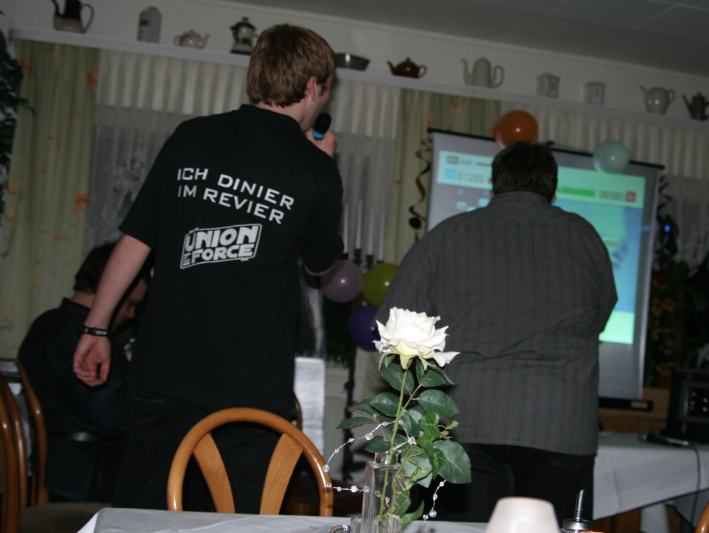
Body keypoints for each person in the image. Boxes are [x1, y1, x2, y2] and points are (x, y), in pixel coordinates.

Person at [72, 24, 343, 512]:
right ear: (311, 86)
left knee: (143, 518)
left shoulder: (192, 136)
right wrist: (323, 165)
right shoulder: (314, 167)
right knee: (233, 522)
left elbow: (135, 238)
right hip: (249, 389)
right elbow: (320, 264)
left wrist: (96, 326)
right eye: (326, 89)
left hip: (163, 374)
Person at [375, 142, 617, 523]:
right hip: (560, 420)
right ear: (553, 188)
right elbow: (600, 317)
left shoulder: (448, 234)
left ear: (494, 184)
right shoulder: (585, 237)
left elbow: (394, 323)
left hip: (466, 418)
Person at [18, 243, 149, 502]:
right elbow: (107, 413)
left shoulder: (50, 322)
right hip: (85, 478)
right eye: (130, 303)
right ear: (113, 285)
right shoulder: (76, 333)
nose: (131, 314)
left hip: (65, 469)